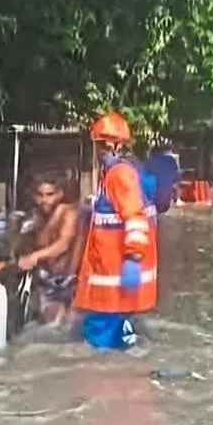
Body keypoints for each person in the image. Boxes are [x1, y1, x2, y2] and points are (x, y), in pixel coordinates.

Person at [74, 111, 159, 350]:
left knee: (99, 341)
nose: (97, 151)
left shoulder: (119, 175)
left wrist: (133, 257)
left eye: (101, 144)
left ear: (113, 146)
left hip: (115, 278)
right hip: (115, 278)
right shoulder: (119, 173)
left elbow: (135, 218)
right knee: (117, 341)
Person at [18, 172, 80, 324]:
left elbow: (63, 244)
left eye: (49, 195)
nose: (44, 200)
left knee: (54, 325)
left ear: (60, 193)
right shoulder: (36, 216)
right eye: (40, 195)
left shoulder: (68, 212)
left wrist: (35, 257)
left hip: (67, 283)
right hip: (44, 281)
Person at [143, 138, 182, 215]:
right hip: (167, 202)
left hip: (153, 203)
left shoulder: (149, 162)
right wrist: (176, 198)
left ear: (151, 154)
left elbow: (145, 184)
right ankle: (178, 200)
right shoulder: (171, 160)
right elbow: (176, 182)